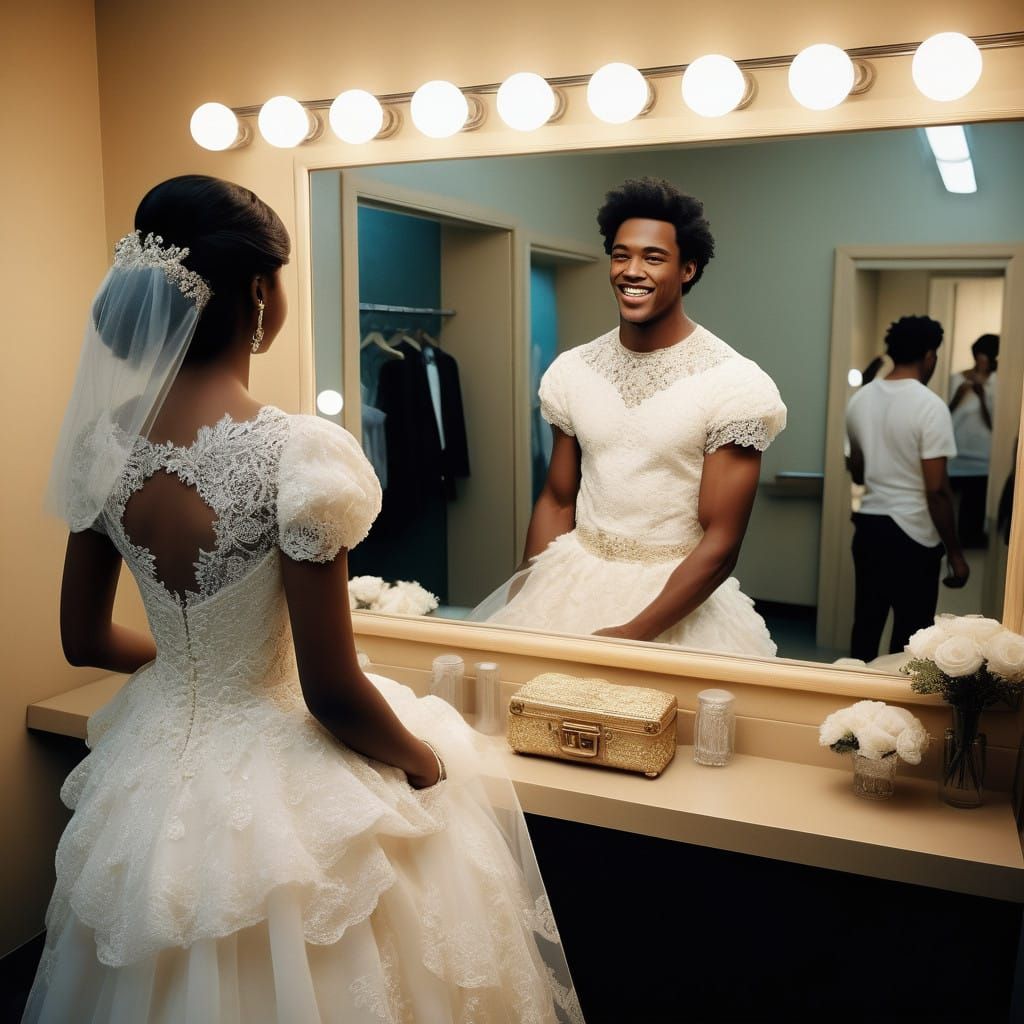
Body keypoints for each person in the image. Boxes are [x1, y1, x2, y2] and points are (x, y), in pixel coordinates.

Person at [26, 176, 581, 1023]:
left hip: (152, 772)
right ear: (259, 293)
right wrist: (424, 763)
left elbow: (84, 638)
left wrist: (192, 670)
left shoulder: (104, 448)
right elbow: (330, 693)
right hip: (280, 770)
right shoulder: (298, 452)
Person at [476, 177, 786, 656]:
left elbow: (721, 540)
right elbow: (558, 499)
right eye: (621, 255)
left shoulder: (734, 384)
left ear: (687, 269)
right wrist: (524, 592)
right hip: (571, 581)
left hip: (675, 601)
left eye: (653, 257)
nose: (632, 270)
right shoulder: (572, 370)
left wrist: (635, 634)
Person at [845, 315, 970, 662]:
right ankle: (899, 713)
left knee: (866, 626)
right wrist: (956, 554)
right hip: (913, 536)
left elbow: (857, 473)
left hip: (869, 528)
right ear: (929, 356)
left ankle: (856, 706)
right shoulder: (930, 406)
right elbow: (937, 490)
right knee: (911, 638)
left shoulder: (860, 400)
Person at [948, 333, 999, 548]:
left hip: (982, 460)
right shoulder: (956, 379)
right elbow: (944, 415)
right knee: (949, 511)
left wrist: (981, 395)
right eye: (978, 355)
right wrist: (959, 396)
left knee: (973, 515)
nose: (981, 360)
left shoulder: (998, 382)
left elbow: (995, 424)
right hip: (955, 457)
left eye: (986, 356)